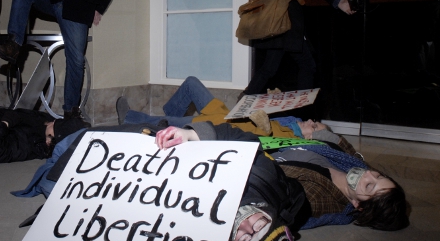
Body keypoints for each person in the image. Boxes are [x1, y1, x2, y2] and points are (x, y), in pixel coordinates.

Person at [16, 121, 308, 241]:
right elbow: (240, 138)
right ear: (274, 222)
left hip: (77, 184)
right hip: (98, 144)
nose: (244, 227)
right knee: (60, 140)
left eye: (244, 240)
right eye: (258, 227)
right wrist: (190, 134)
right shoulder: (265, 179)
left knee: (49, 181)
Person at [155, 122, 409, 231]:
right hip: (267, 141)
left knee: (174, 131)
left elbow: (270, 183)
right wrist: (320, 130)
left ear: (358, 206)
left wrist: (200, 137)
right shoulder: (347, 161)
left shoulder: (318, 197)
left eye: (369, 184)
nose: (366, 174)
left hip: (241, 153)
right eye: (377, 174)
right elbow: (340, 144)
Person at [118, 75, 330, 138]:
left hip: (218, 125)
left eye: (314, 127)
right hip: (224, 114)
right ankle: (170, 120)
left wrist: (264, 128)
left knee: (178, 125)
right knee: (192, 83)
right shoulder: (291, 123)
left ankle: (129, 119)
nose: (311, 122)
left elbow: (255, 140)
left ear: (311, 137)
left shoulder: (289, 139)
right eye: (315, 121)